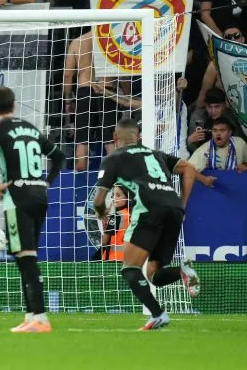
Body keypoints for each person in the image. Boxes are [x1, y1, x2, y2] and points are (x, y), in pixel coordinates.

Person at [92, 117, 216, 330]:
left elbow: (98, 200)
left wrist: (102, 213)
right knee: (154, 275)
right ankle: (182, 272)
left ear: (114, 137)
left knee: (130, 268)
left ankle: (158, 315)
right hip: (174, 209)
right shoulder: (155, 154)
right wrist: (183, 203)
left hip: (150, 208)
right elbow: (188, 168)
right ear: (138, 137)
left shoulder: (113, 158)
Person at [0, 86, 66, 333]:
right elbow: (59, 156)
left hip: (17, 197)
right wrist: (46, 182)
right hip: (39, 196)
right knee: (24, 257)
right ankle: (31, 316)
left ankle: (40, 318)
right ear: (14, 105)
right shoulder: (30, 127)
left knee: (26, 258)